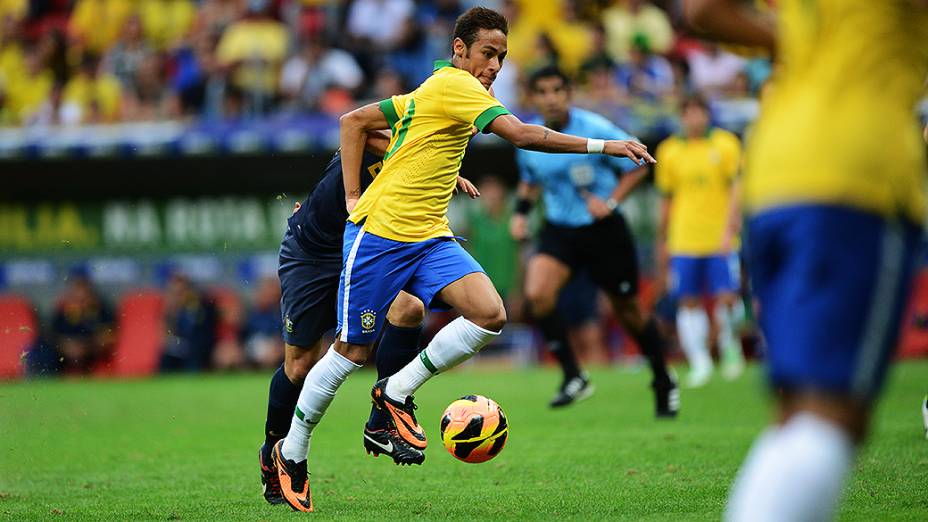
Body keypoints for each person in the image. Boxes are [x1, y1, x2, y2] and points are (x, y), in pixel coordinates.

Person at [272, 6, 655, 512]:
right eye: (487, 54)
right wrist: (607, 145)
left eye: (502, 57)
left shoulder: (443, 86)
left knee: (490, 313)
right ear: (459, 50)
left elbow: (402, 133)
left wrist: (444, 175)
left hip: (430, 235)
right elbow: (524, 135)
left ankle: (394, 393)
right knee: (350, 353)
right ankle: (291, 455)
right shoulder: (456, 86)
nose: (495, 65)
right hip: (381, 235)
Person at [682, 1, 927, 521]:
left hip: (776, 171)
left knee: (798, 409)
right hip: (856, 170)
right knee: (832, 415)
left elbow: (701, 9)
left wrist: (793, 41)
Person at [257, 128, 479, 504]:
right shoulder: (393, 129)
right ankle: (273, 450)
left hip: (366, 247)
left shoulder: (433, 159)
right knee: (300, 365)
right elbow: (353, 132)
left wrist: (443, 172)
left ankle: (382, 422)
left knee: (409, 308)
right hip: (312, 252)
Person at [510, 65, 678, 411]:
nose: (550, 98)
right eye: (542, 92)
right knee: (537, 293)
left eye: (557, 90)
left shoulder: (596, 128)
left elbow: (641, 163)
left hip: (604, 230)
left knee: (628, 310)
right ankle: (574, 375)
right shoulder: (525, 136)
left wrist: (612, 200)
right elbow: (530, 179)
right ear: (533, 97)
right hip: (560, 230)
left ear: (569, 94)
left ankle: (663, 376)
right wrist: (521, 214)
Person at [655, 94, 744, 388]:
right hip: (684, 238)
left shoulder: (726, 144)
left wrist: (731, 228)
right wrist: (663, 239)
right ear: (682, 116)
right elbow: (666, 198)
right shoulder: (669, 151)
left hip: (719, 237)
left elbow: (736, 189)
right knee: (688, 301)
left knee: (728, 298)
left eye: (698, 112)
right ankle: (700, 361)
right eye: (688, 113)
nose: (693, 119)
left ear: (707, 114)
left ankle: (730, 347)